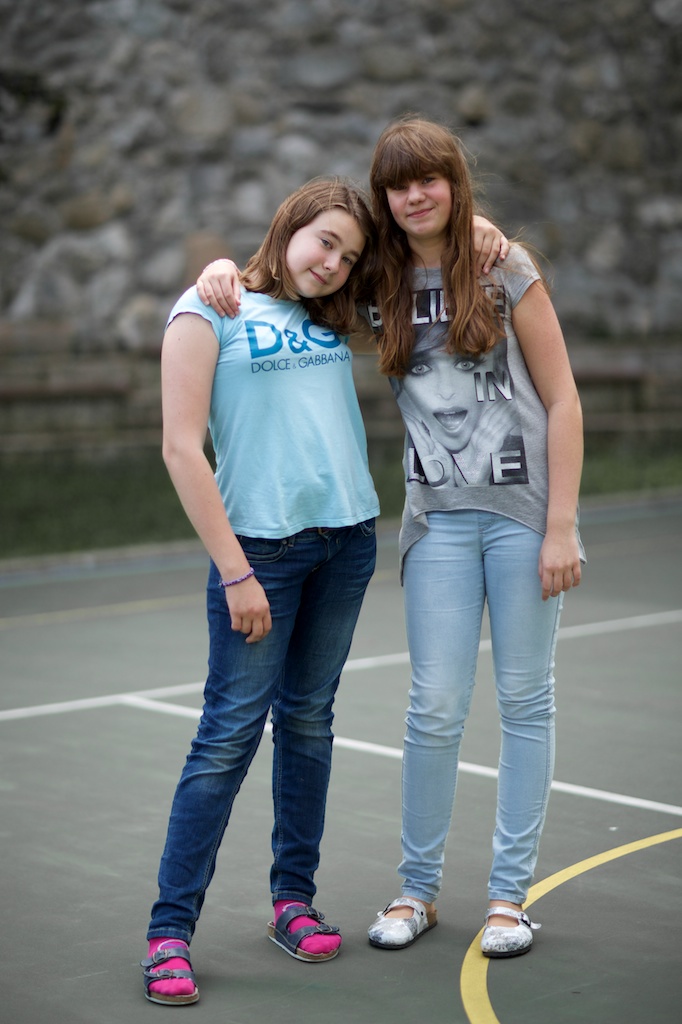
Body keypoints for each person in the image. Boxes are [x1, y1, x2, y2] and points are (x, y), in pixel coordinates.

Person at [197, 115, 584, 961]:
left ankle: (509, 900)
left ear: (454, 183)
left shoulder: (504, 266)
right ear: (384, 197)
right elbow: (287, 280)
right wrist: (220, 269)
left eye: (429, 179)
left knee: (525, 702)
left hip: (524, 519)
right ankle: (417, 891)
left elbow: (562, 398)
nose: (414, 196)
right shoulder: (375, 281)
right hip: (436, 523)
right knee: (434, 706)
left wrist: (562, 526)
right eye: (398, 184)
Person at [141, 177, 381, 1007]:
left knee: (309, 723)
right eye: (325, 241)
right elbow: (181, 449)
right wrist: (236, 572)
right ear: (289, 227)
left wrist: (482, 227)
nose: (334, 262)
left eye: (349, 255)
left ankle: (293, 903)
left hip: (347, 541)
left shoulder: (332, 314)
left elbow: (432, 259)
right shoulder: (208, 308)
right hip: (260, 555)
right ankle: (168, 934)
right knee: (227, 738)